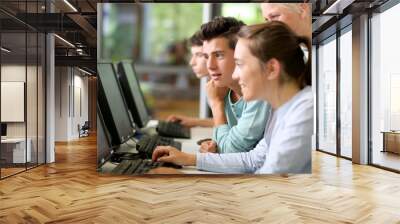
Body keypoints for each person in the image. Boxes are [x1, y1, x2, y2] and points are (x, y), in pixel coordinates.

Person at [151, 21, 313, 174]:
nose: (236, 74)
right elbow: (252, 160)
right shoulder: (279, 111)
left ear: (271, 69)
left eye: (240, 64)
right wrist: (189, 159)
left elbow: (270, 183)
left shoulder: (305, 111)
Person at [198, 17, 270, 153]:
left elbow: (231, 150)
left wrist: (216, 104)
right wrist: (215, 144)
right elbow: (222, 143)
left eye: (218, 55)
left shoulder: (259, 91)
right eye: (206, 57)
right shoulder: (222, 90)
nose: (210, 65)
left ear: (240, 53)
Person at [167, 31, 214, 128]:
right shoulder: (212, 85)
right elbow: (224, 123)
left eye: (199, 55)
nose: (191, 62)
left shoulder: (223, 88)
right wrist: (193, 121)